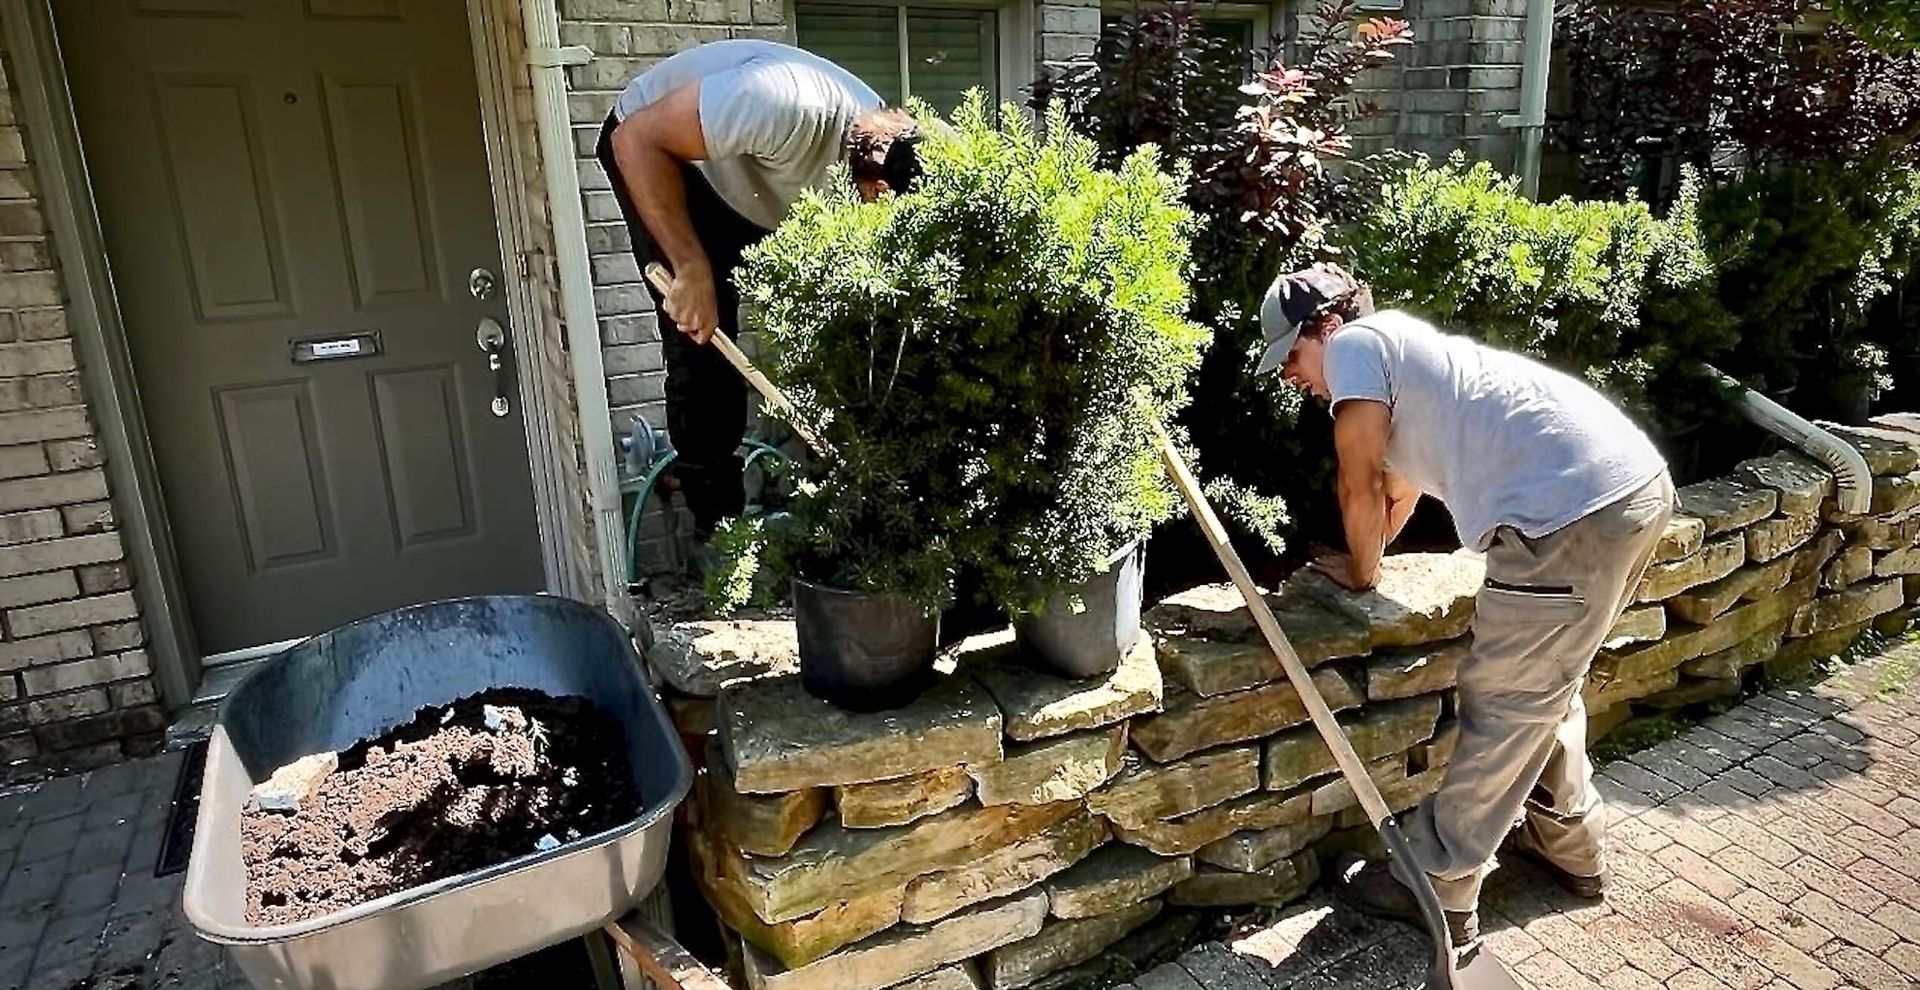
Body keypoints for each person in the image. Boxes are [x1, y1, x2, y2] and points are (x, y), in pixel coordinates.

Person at [1252, 264, 1677, 951]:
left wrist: (1360, 576)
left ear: (1325, 328)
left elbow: (1358, 487)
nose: (1290, 377)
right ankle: (1570, 844)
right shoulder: (1407, 354)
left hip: (1567, 516)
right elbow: (1400, 492)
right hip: (1626, 490)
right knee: (1544, 687)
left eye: (1292, 358)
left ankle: (1440, 882)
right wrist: (1369, 554)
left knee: (1506, 699)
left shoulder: (1359, 347)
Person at [597, 40, 921, 561]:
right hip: (664, 154)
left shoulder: (889, 158)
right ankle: (720, 540)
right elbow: (636, 140)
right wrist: (692, 266)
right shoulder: (783, 104)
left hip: (754, 183)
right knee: (704, 340)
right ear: (879, 191)